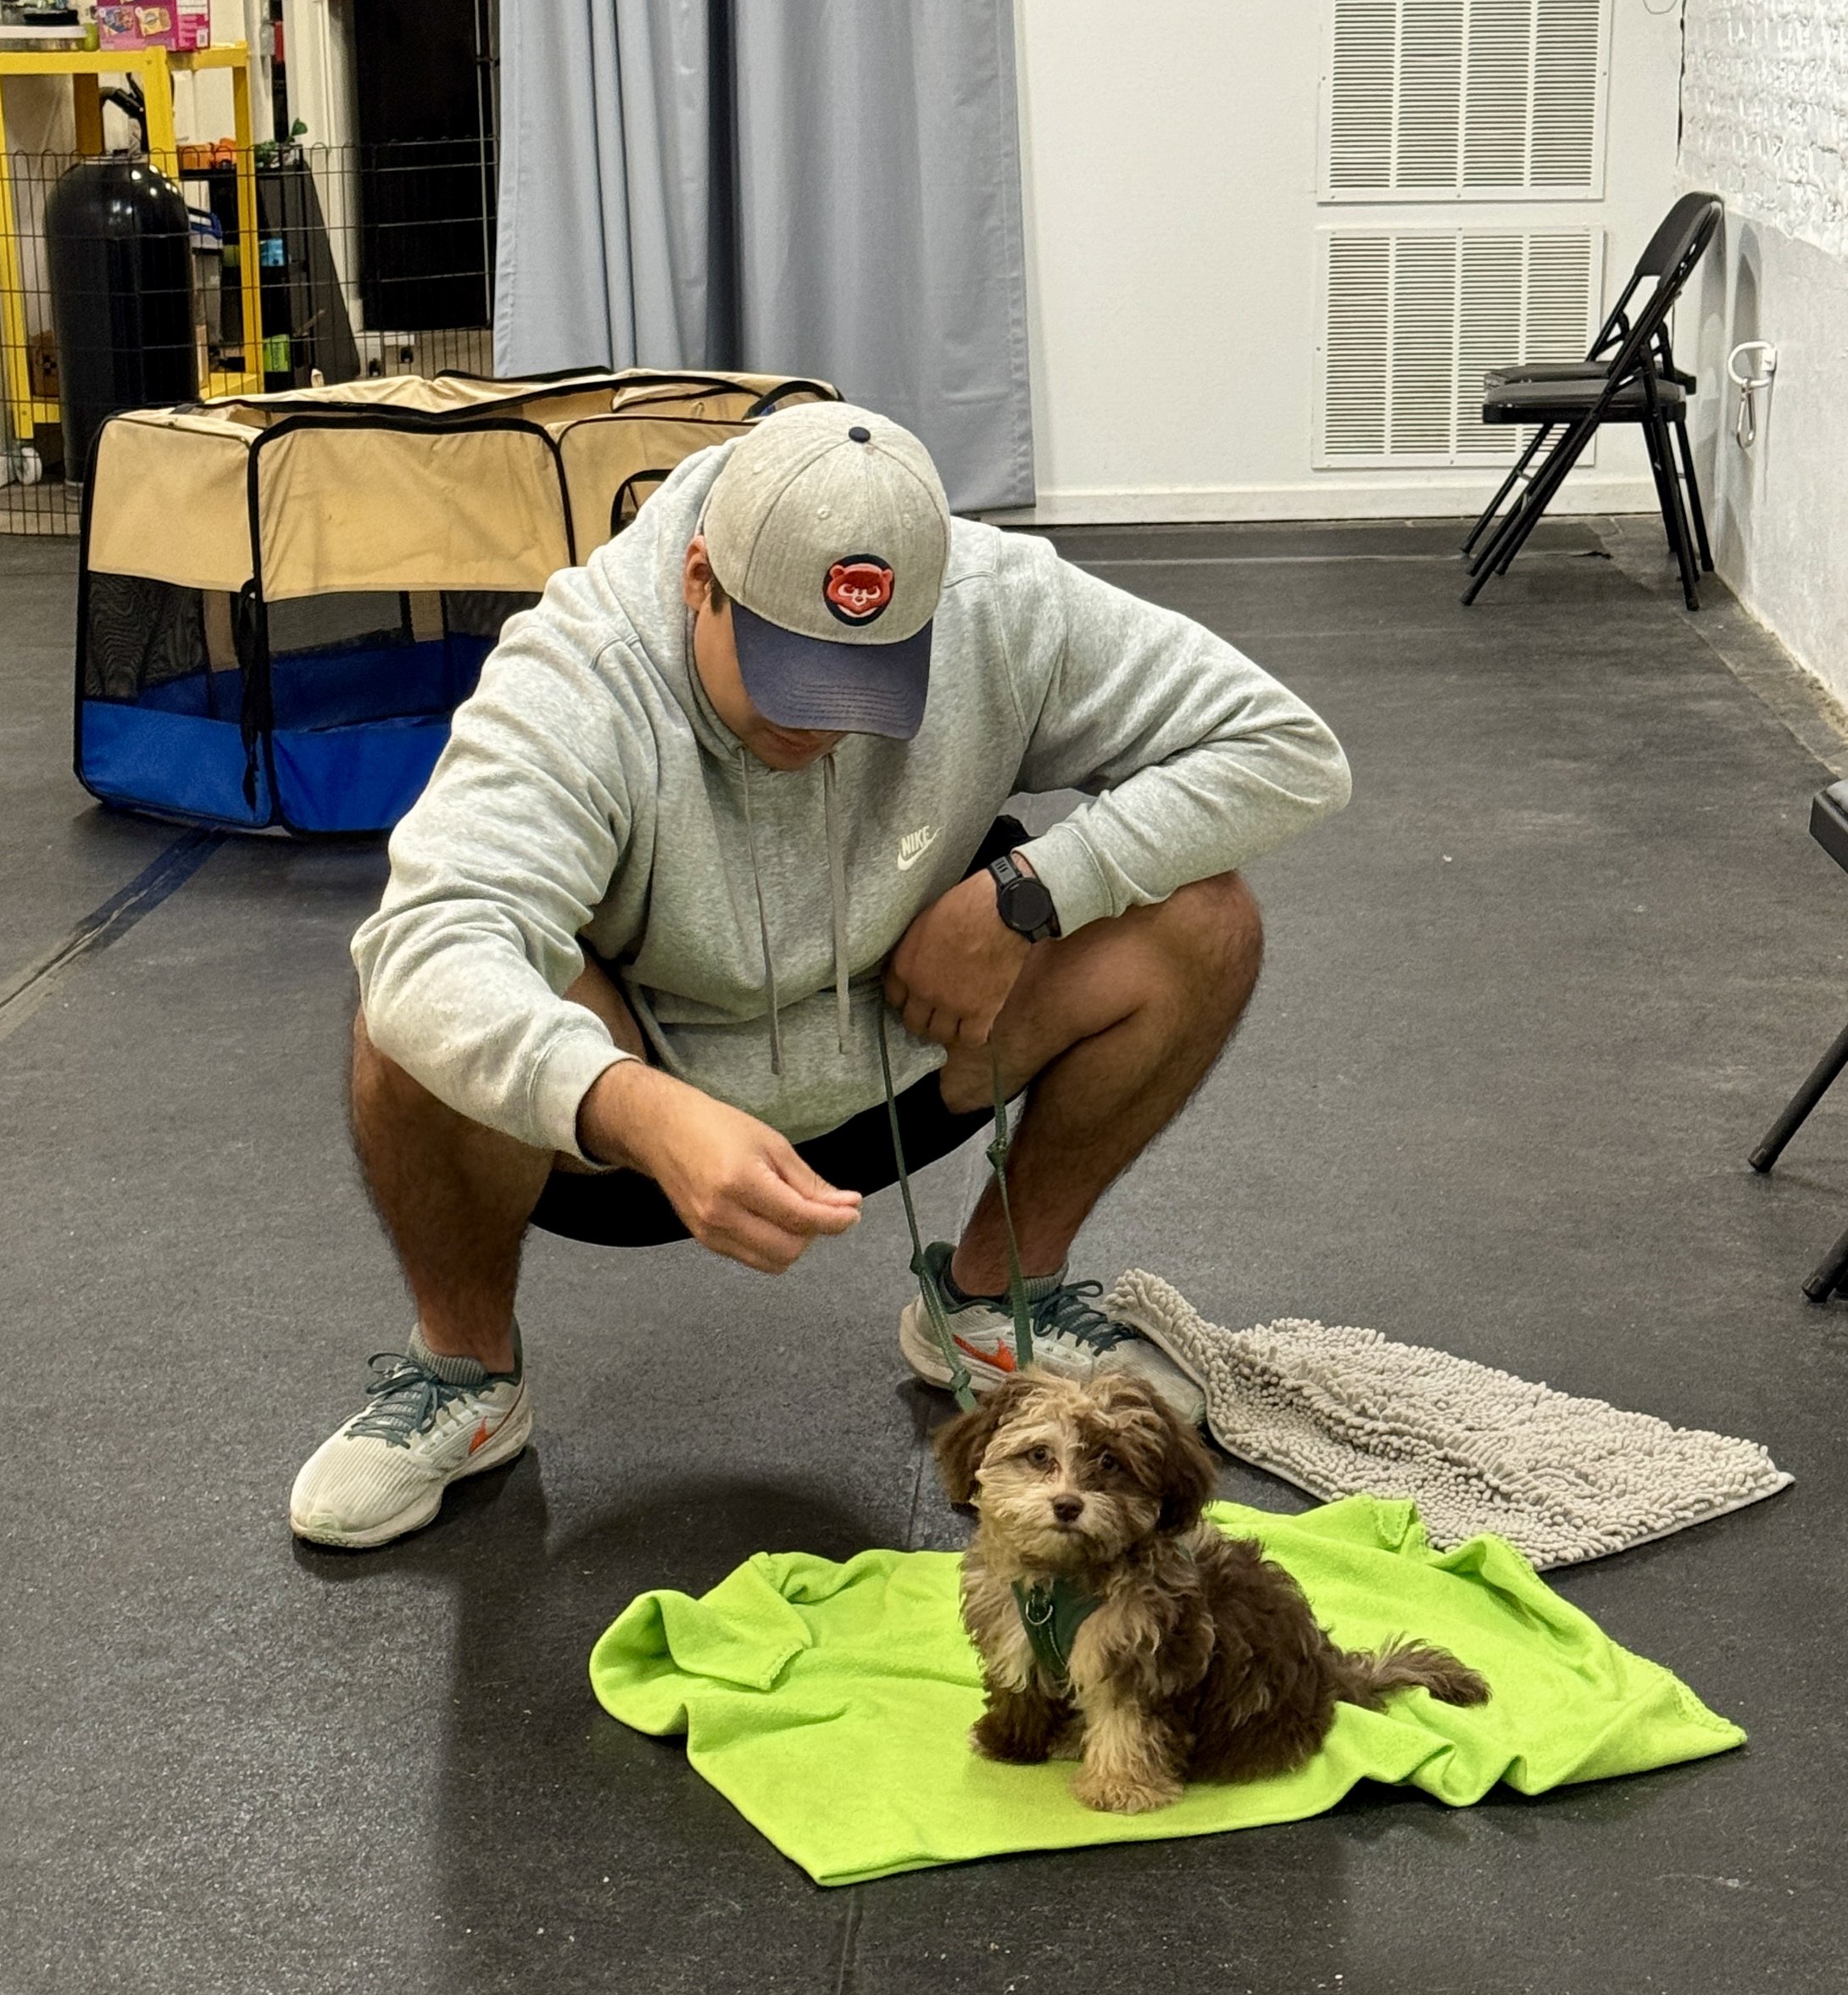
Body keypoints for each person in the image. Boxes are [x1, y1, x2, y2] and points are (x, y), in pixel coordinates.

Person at [291, 402, 1350, 1547]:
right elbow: (428, 938)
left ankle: (996, 1308)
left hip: (910, 1045)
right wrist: (628, 1101)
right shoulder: (582, 670)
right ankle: (466, 1377)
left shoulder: (998, 603)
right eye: (792, 675)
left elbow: (1288, 751)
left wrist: (1028, 893)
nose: (827, 725)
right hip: (644, 1097)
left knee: (1203, 916)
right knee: (405, 1024)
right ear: (701, 578)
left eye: (868, 682)